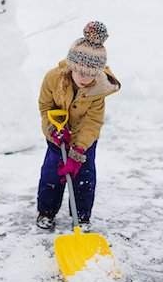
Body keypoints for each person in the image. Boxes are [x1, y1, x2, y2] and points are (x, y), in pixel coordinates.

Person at [36, 21, 121, 230]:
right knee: (52, 175)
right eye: (81, 72)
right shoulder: (54, 79)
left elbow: (92, 122)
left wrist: (79, 148)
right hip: (57, 135)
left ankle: (81, 217)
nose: (86, 78)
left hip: (84, 141)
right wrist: (52, 129)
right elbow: (45, 106)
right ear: (72, 66)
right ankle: (46, 211)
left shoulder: (99, 90)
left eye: (92, 73)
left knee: (84, 178)